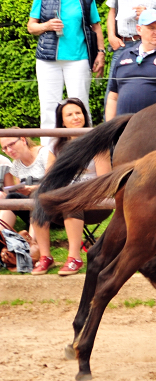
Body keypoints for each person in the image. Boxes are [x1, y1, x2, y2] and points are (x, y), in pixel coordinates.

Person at [27, 0, 105, 146]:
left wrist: (100, 53)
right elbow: (31, 27)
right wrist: (46, 26)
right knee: (48, 107)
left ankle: (84, 152)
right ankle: (48, 156)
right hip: (47, 60)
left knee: (80, 107)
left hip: (78, 58)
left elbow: (96, 26)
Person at [34, 98, 112, 275]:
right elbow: (50, 178)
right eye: (69, 114)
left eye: (78, 113)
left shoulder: (97, 144)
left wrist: (76, 191)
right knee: (39, 200)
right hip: (64, 199)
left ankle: (74, 258)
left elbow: (104, 182)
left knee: (71, 202)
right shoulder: (55, 146)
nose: (76, 117)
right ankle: (45, 257)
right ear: (62, 121)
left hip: (96, 201)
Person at [0, 135, 50, 273]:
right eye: (5, 148)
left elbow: (53, 184)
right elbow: (20, 191)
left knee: (37, 196)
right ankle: (4, 239)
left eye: (11, 145)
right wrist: (22, 190)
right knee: (11, 197)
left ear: (22, 140)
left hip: (50, 208)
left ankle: (30, 246)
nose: (9, 150)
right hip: (32, 209)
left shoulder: (44, 154)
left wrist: (31, 189)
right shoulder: (16, 165)